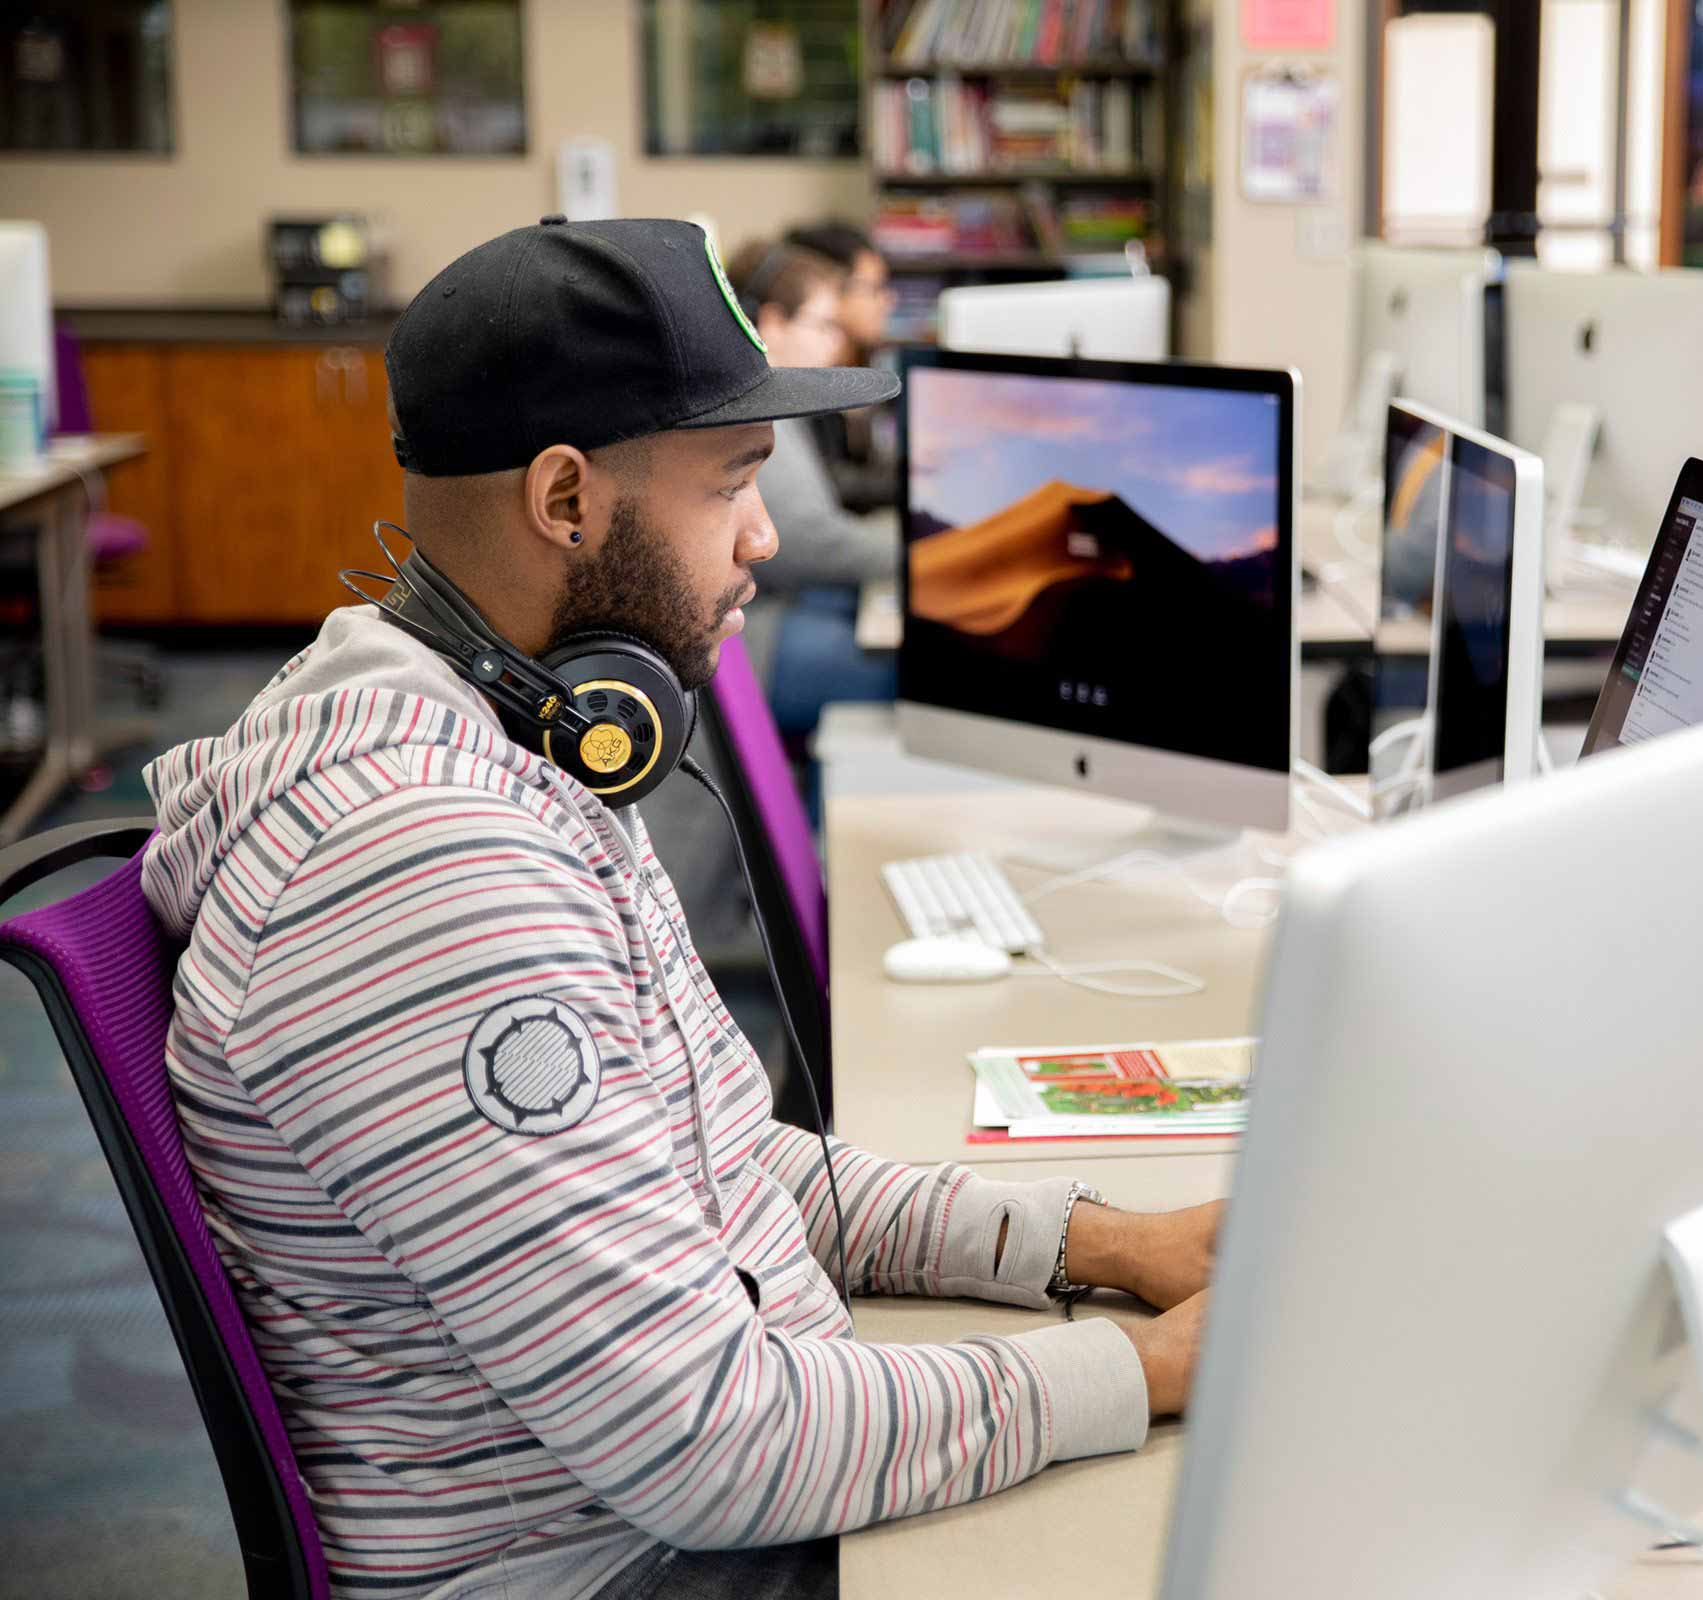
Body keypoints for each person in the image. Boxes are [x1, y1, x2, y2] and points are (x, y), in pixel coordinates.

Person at [138, 215, 1212, 1600]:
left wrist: (1096, 1242)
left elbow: (709, 1157)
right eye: (733, 482)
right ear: (568, 501)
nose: (767, 537)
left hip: (700, 1493)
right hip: (630, 1565)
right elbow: (711, 1444)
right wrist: (1142, 1364)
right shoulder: (424, 870)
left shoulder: (518, 728)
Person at [722, 237, 902, 812]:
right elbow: (808, 544)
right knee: (909, 674)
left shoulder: (773, 400)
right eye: (824, 325)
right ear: (772, 321)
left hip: (770, 612)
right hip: (758, 640)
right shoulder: (759, 411)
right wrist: (924, 552)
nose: (837, 342)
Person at [783, 220, 899, 512]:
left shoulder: (870, 362)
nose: (889, 300)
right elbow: (825, 479)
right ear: (830, 286)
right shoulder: (800, 371)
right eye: (875, 288)